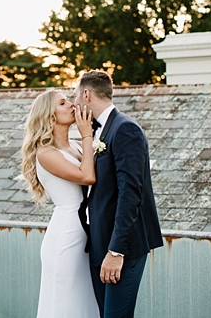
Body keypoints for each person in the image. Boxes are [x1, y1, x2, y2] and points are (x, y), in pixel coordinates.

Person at [73, 71, 163, 318]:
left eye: (75, 95)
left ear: (87, 94)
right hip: (100, 242)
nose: (74, 103)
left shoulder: (125, 129)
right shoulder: (98, 131)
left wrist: (116, 252)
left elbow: (130, 194)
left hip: (123, 247)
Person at [21, 89, 100, 318]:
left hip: (84, 233)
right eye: (63, 103)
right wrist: (88, 136)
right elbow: (88, 177)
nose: (72, 105)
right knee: (64, 304)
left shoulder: (75, 146)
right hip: (65, 236)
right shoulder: (46, 153)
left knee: (84, 302)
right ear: (49, 115)